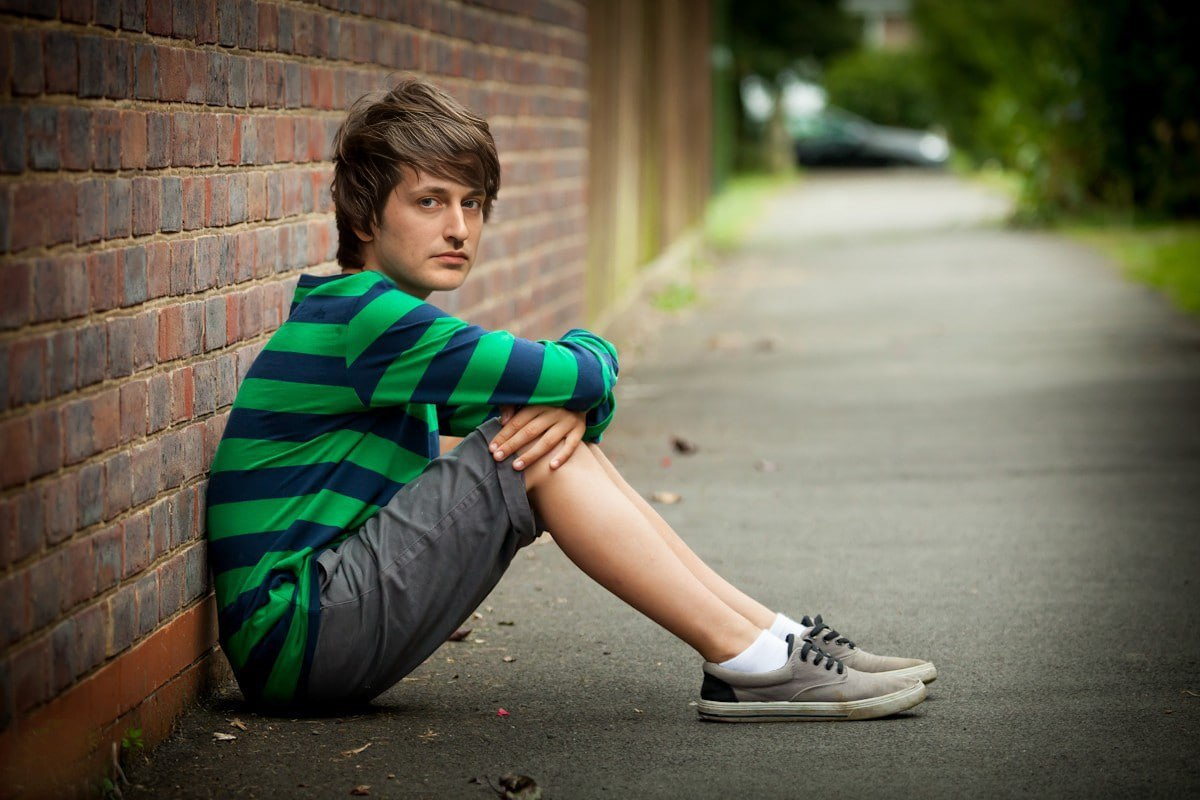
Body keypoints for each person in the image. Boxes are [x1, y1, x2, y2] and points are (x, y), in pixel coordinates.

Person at [205, 77, 935, 722]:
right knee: (523, 452)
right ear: (365, 217)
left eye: (472, 203)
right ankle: (751, 658)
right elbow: (577, 376)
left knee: (532, 429)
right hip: (299, 634)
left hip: (315, 632)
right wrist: (587, 381)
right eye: (429, 202)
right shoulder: (370, 322)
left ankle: (773, 642)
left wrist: (577, 402)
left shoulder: (374, 332)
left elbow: (567, 400)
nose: (459, 227)